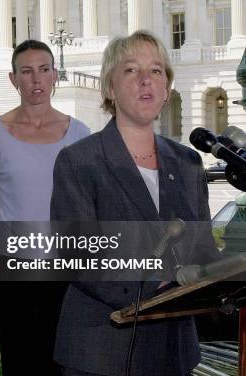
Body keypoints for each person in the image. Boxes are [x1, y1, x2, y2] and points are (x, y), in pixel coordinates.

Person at [51, 30, 219, 376]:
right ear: (109, 88)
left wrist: (216, 269)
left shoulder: (188, 162)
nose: (146, 80)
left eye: (156, 70)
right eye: (131, 70)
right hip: (102, 349)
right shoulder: (79, 160)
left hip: (174, 349)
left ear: (167, 88)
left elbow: (199, 249)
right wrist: (152, 282)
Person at [0, 39, 90, 375]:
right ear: (14, 79)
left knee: (65, 361)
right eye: (27, 72)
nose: (36, 79)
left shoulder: (79, 133)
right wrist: (1, 271)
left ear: (55, 75)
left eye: (43, 70)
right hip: (17, 268)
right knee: (22, 360)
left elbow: (86, 209)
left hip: (67, 265)